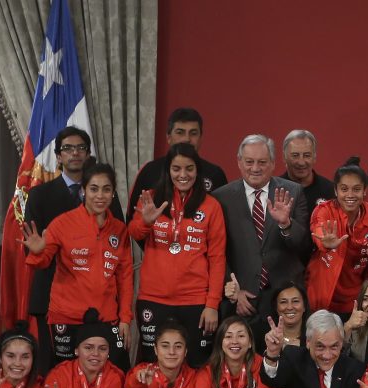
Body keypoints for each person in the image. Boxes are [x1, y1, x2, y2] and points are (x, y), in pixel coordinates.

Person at [24, 127, 124, 373]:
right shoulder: (39, 195)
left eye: (80, 148)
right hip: (54, 300)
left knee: (107, 370)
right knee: (58, 370)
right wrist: (39, 250)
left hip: (100, 303)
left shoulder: (107, 194)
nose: (75, 153)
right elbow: (34, 248)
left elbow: (118, 245)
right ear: (58, 156)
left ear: (88, 153)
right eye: (67, 148)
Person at [129, 142, 226, 366]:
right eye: (176, 169)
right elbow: (132, 233)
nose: (183, 175)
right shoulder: (152, 198)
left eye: (189, 168)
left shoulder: (211, 206)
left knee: (196, 365)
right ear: (168, 170)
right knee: (153, 365)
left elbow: (217, 258)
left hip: (196, 301)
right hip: (153, 298)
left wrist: (212, 304)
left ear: (197, 171)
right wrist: (145, 221)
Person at [213, 134, 310, 345]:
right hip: (241, 299)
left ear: (273, 163)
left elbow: (303, 245)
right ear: (239, 162)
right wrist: (232, 290)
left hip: (285, 300)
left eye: (262, 162)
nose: (255, 168)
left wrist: (286, 224)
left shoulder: (292, 191)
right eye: (249, 162)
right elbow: (216, 251)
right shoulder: (221, 198)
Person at [307, 157, 368, 315]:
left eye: (356, 189)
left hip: (358, 299)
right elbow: (319, 234)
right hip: (323, 295)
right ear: (335, 190)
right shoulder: (324, 210)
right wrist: (326, 244)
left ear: (364, 190)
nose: (350, 195)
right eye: (344, 189)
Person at [127, 107, 229, 223]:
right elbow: (132, 218)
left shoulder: (215, 174)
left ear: (201, 138)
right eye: (180, 132)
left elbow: (224, 222)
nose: (187, 139)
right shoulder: (149, 171)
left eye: (193, 133)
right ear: (168, 137)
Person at [278, 129, 336, 214]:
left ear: (314, 157)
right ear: (284, 157)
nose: (301, 162)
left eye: (307, 155)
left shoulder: (330, 191)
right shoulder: (273, 190)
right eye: (295, 155)